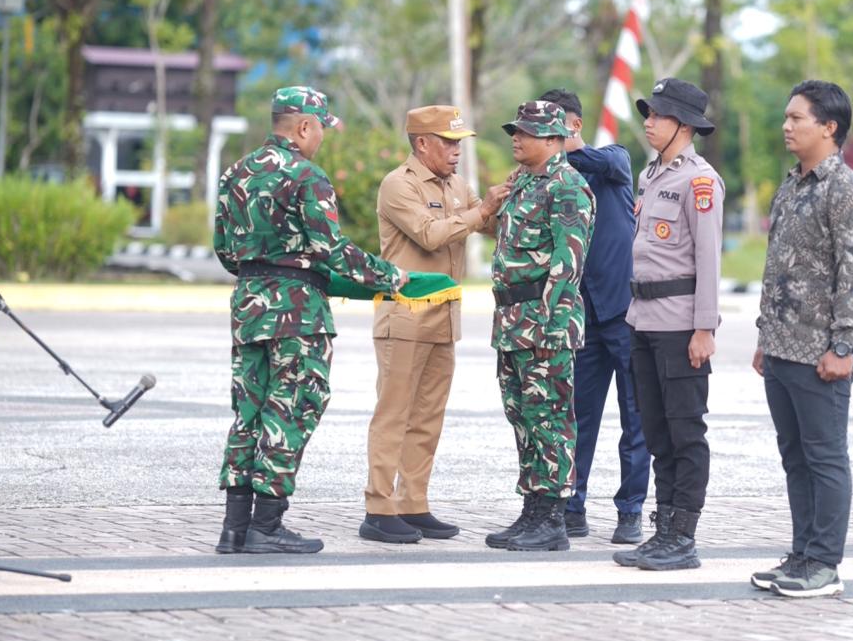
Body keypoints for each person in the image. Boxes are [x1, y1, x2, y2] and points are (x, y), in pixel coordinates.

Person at [213, 86, 408, 555]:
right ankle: (267, 526)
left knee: (249, 413)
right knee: (292, 407)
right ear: (303, 127)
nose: (321, 137)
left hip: (248, 306)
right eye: (321, 127)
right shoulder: (307, 176)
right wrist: (390, 275)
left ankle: (235, 527)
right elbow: (332, 251)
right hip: (297, 314)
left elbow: (224, 250)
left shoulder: (235, 173)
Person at [360, 105, 510, 544]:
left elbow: (488, 227)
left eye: (459, 142)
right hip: (404, 315)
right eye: (448, 142)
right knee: (394, 414)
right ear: (421, 143)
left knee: (427, 416)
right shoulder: (398, 185)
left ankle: (413, 502)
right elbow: (429, 234)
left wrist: (506, 203)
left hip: (443, 316)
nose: (456, 151)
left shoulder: (456, 185)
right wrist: (480, 210)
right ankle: (378, 506)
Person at [750, 79, 853, 598]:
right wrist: (763, 335)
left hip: (821, 354)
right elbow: (778, 265)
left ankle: (824, 563)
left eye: (797, 118)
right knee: (795, 456)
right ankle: (801, 555)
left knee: (825, 457)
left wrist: (843, 346)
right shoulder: (794, 184)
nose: (786, 125)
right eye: (786, 116)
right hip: (780, 348)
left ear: (829, 127)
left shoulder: (846, 191)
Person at [613, 77, 725, 572]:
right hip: (643, 319)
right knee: (655, 431)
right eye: (648, 113)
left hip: (681, 325)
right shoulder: (652, 174)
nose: (649, 122)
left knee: (685, 432)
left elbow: (709, 259)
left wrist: (705, 329)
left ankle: (683, 534)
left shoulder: (699, 181)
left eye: (657, 114)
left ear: (684, 124)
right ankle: (663, 530)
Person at [538, 88, 649, 545]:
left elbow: (606, 163)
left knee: (635, 418)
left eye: (549, 125)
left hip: (624, 314)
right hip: (581, 316)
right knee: (576, 417)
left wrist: (567, 146)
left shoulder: (613, 160)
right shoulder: (547, 179)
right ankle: (573, 504)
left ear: (573, 125)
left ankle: (630, 510)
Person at [485, 101, 594, 552]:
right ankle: (532, 509)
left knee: (550, 419)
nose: (517, 137)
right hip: (513, 322)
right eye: (515, 130)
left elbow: (567, 266)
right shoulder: (524, 184)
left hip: (543, 324)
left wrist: (550, 329)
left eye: (527, 132)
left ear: (554, 140)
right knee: (524, 417)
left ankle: (552, 518)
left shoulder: (567, 187)